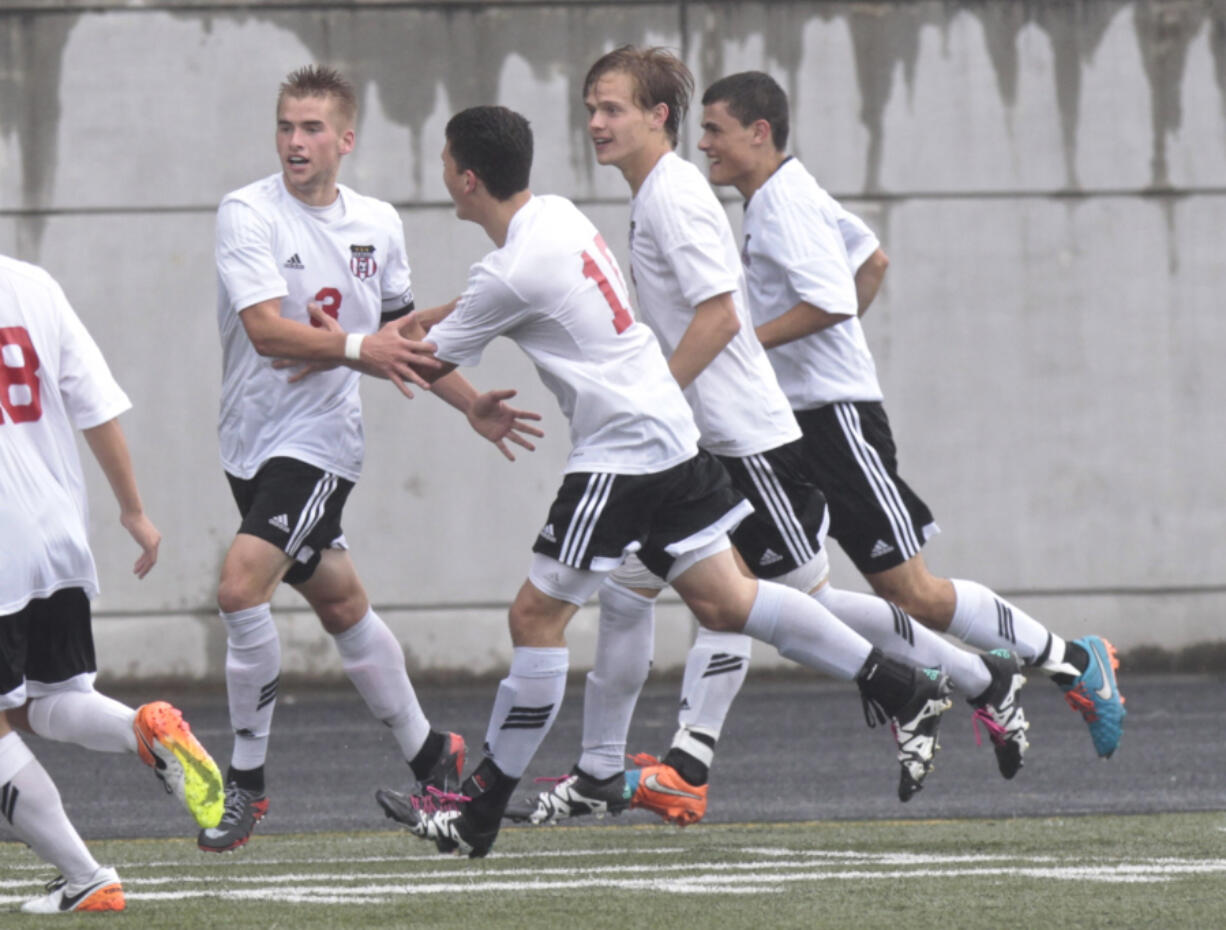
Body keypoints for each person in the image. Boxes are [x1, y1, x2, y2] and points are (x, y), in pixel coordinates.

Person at [371, 104, 955, 861]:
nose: (442, 173)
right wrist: (427, 318)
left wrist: (338, 345)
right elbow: (492, 303)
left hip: (620, 452)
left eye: (446, 161)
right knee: (729, 600)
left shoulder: (509, 269)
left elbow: (418, 360)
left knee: (534, 619)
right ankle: (902, 685)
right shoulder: (553, 217)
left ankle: (478, 811)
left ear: (468, 177)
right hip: (669, 435)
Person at [511, 46, 1028, 830]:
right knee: (633, 591)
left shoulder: (676, 196)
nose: (595, 124)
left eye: (612, 108)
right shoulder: (657, 192)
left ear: (660, 118)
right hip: (704, 442)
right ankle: (602, 770)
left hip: (744, 443)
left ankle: (968, 680)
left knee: (796, 604)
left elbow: (722, 317)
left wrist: (653, 398)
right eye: (590, 109)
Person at [693, 69, 1125, 760]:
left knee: (912, 591)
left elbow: (834, 297)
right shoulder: (785, 193)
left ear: (759, 131)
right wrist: (822, 352)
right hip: (798, 420)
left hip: (833, 421)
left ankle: (1072, 659)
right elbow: (873, 260)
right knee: (778, 592)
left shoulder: (781, 204)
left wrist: (751, 346)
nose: (703, 144)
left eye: (714, 129)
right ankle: (961, 683)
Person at [206, 65, 540, 852]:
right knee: (342, 605)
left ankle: (245, 784)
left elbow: (403, 342)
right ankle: (434, 752)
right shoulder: (246, 214)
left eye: (313, 128)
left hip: (322, 445)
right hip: (248, 441)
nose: (296, 141)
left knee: (237, 588)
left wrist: (472, 406)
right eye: (287, 126)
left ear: (346, 140)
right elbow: (265, 331)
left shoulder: (378, 225)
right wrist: (363, 347)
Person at [1, 254, 225, 913]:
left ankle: (85, 875)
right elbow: (95, 407)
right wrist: (133, 509)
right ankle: (144, 730)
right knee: (43, 702)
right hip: (55, 532)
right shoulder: (32, 283)